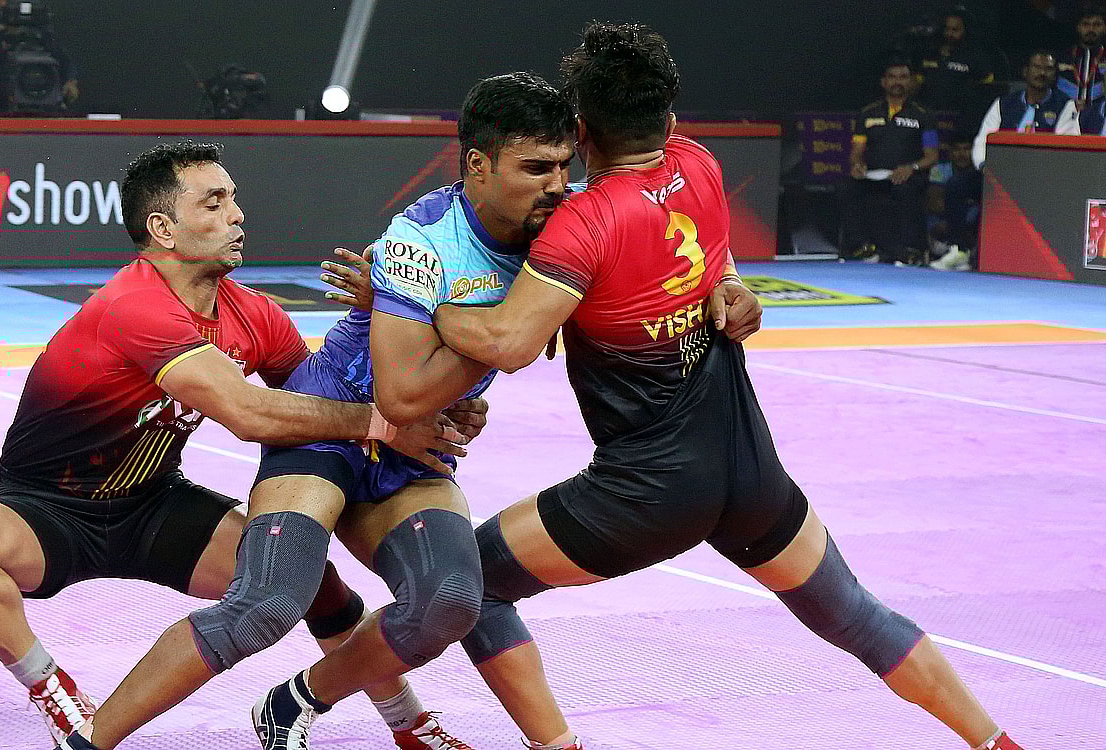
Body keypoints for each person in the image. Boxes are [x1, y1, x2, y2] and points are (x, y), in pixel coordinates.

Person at [429, 22, 1025, 750]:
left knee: (474, 584)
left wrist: (415, 293)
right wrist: (732, 282)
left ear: (579, 130)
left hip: (646, 492)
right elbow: (709, 249)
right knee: (854, 614)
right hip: (748, 472)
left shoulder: (583, 221)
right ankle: (997, 742)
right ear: (670, 119)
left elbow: (508, 343)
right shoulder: (700, 164)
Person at [52, 72, 577, 750]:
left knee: (450, 600)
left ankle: (295, 700)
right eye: (537, 168)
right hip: (329, 431)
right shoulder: (420, 239)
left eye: (565, 166)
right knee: (265, 604)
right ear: (479, 165)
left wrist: (468, 396)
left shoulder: (570, 226)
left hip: (412, 446)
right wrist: (498, 347)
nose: (557, 184)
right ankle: (87, 743)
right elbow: (403, 393)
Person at [0, 140, 478, 747]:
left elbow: (322, 401)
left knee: (300, 572)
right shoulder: (134, 305)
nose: (237, 215)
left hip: (153, 505)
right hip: (44, 509)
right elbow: (250, 413)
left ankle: (408, 721)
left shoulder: (256, 315)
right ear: (163, 228)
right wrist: (389, 424)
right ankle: (50, 687)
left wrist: (427, 384)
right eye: (214, 203)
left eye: (233, 199)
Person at [844, 58, 940, 265]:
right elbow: (857, 151)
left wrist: (911, 167)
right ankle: (861, 246)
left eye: (903, 77)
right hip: (874, 174)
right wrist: (857, 165)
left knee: (903, 189)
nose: (898, 82)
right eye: (892, 77)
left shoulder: (923, 115)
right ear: (884, 82)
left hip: (909, 175)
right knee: (847, 186)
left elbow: (932, 156)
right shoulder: (867, 113)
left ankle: (909, 250)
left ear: (911, 81)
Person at [972, 49, 1079, 169]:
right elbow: (983, 140)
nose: (1042, 73)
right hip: (1002, 170)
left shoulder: (1066, 105)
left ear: (1055, 75)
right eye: (1036, 67)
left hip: (1044, 171)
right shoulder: (1003, 104)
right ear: (1025, 71)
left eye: (1048, 69)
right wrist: (985, 166)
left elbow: (1065, 147)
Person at [915, 8, 996, 118]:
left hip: (961, 117)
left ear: (965, 31)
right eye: (947, 29)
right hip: (928, 115)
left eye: (955, 30)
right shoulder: (929, 52)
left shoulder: (975, 56)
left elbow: (986, 89)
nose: (949, 34)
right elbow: (916, 83)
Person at [929, 135, 982, 271]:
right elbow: (935, 205)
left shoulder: (980, 175)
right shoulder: (939, 170)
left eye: (966, 149)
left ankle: (964, 255)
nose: (961, 154)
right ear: (950, 152)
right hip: (941, 227)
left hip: (970, 229)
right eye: (957, 149)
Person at [1056, 4, 1106, 112]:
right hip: (1063, 114)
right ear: (1078, 27)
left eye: (1097, 25)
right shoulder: (1062, 57)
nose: (1091, 29)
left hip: (1100, 115)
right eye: (1086, 24)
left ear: (1104, 28)